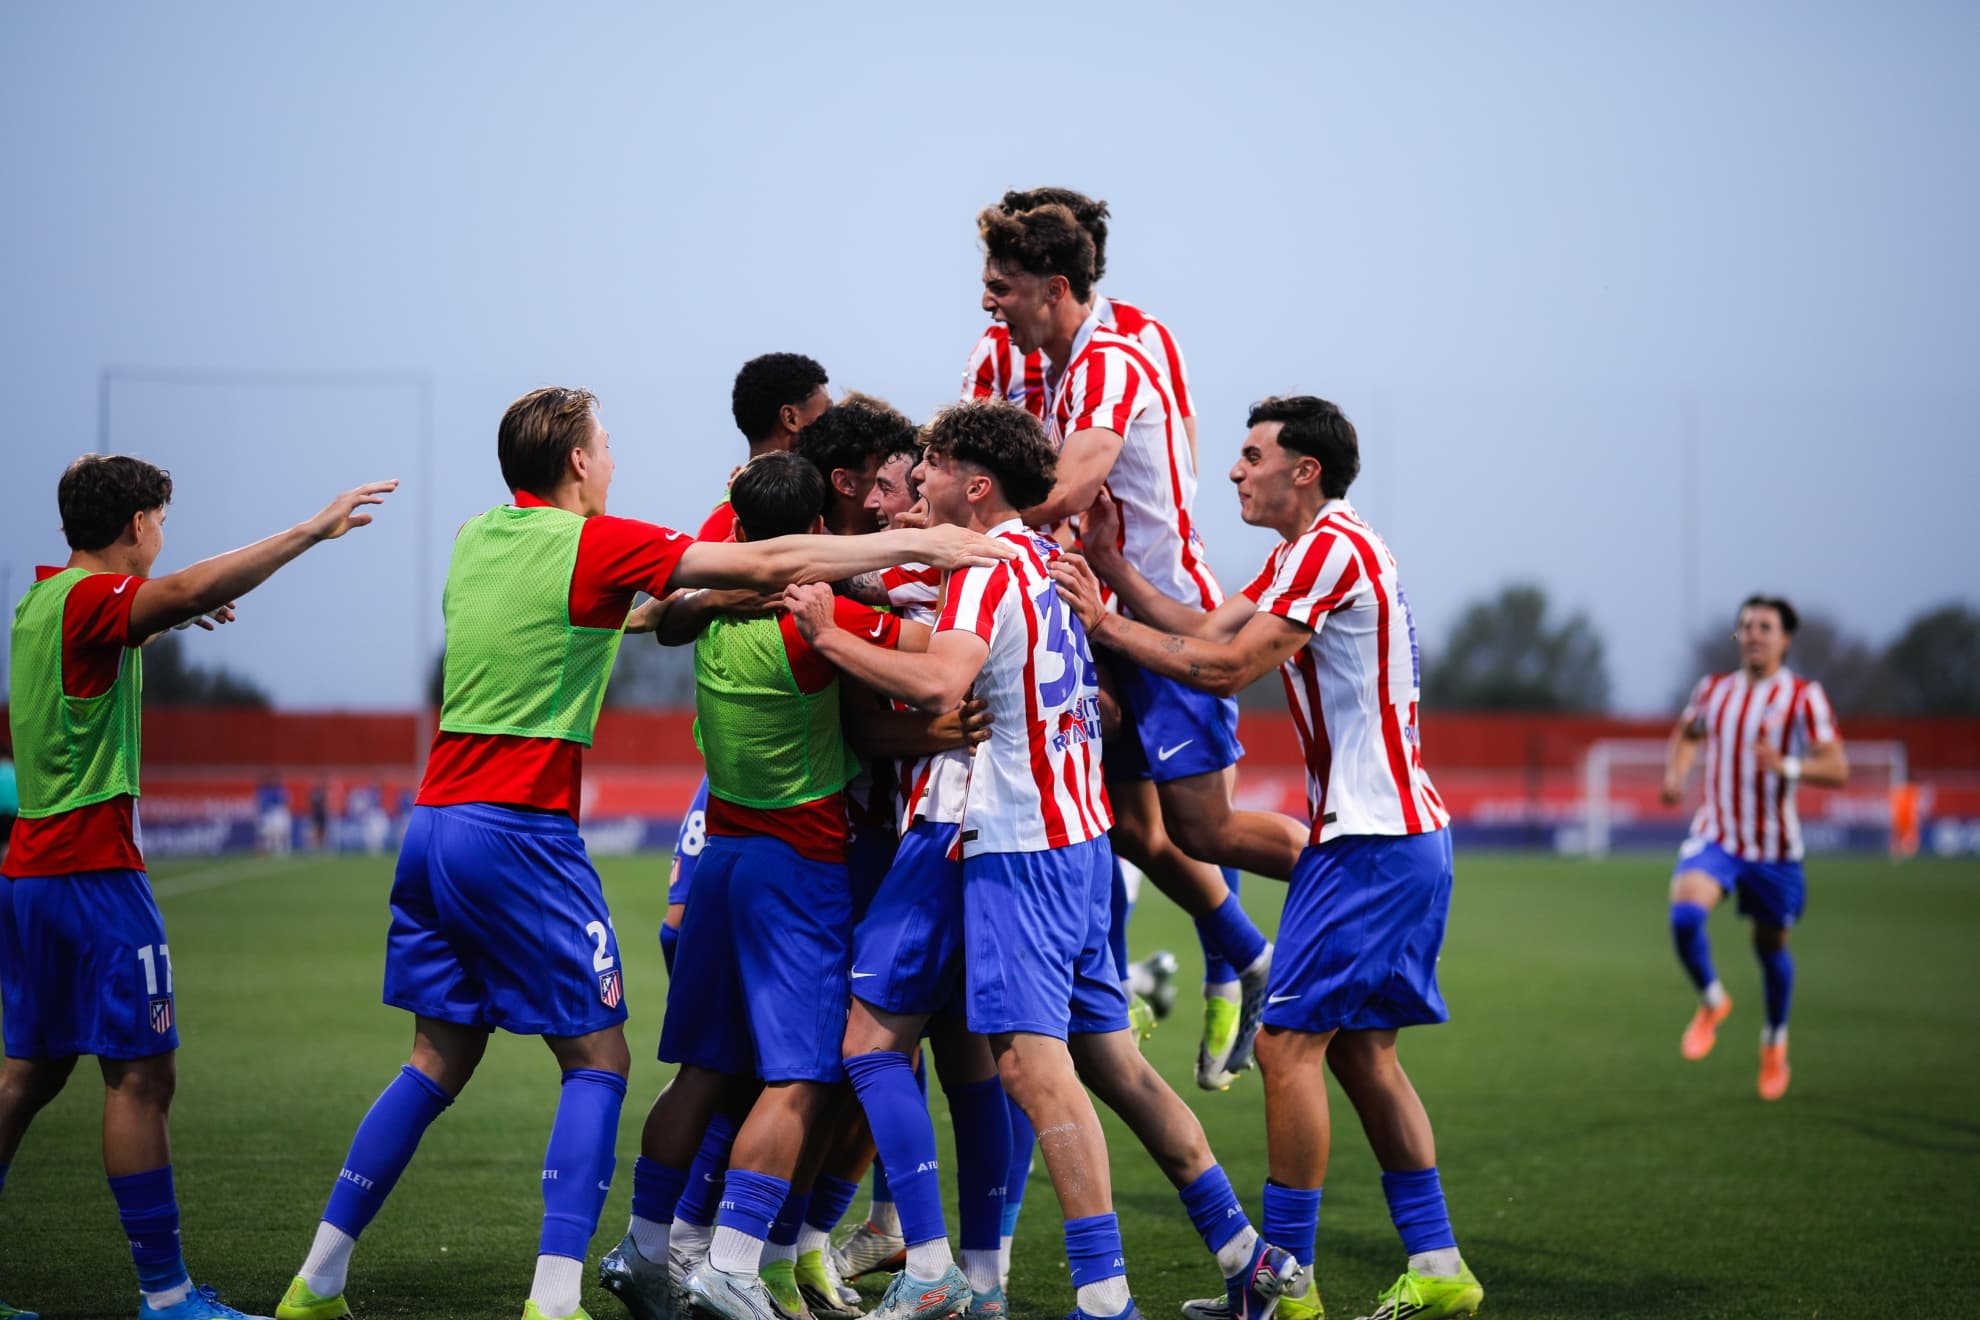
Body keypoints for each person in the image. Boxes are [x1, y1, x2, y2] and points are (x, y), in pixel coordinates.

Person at [273, 388, 1010, 1320]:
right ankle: (562, 1296)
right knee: (600, 1064)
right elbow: (776, 563)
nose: (615, 460)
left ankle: (319, 1279)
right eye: (607, 446)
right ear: (577, 463)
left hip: (434, 826)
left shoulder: (475, 538)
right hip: (525, 831)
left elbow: (680, 606)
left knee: (434, 1060)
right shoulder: (595, 541)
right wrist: (923, 546)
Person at [787, 400, 1296, 1320]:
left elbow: (943, 679)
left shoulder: (984, 566)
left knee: (1027, 1067)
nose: (920, 482)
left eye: (932, 467)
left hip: (1018, 849)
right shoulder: (1037, 561)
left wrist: (827, 638)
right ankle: (1245, 1253)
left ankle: (1101, 1296)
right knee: (1114, 1063)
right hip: (1079, 843)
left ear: (974, 486)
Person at [1050, 396, 1485, 1320]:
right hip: (1398, 835)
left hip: (1368, 842)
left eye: (1253, 457)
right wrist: (1113, 567)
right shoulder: (1315, 550)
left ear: (1306, 471)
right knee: (1365, 1056)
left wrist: (1103, 627)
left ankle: (1281, 1287)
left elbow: (1224, 670)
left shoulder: (1332, 548)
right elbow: (1204, 626)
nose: (1236, 472)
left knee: (1288, 1048)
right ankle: (1441, 1268)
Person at [1, 453, 396, 1320]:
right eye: (162, 520)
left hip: (30, 873)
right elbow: (170, 594)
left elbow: (131, 626)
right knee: (141, 1078)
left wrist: (159, 619)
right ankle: (168, 1296)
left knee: (24, 1077)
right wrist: (309, 530)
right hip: (95, 876)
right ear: (137, 524)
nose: (164, 536)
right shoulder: (88, 602)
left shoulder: (37, 605)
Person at [975, 200, 1288, 1089]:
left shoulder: (1110, 357)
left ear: (1056, 285)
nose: (990, 305)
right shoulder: (1067, 359)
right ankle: (1205, 967)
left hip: (1167, 611)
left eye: (1002, 287)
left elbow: (1075, 483)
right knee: (1130, 829)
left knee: (1203, 827)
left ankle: (1339, 878)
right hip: (1100, 613)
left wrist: (967, 528)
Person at [1661, 595, 1846, 1100]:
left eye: (1765, 626)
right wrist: (1676, 773)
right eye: (1746, 626)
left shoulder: (1805, 698)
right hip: (1718, 834)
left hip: (1775, 850)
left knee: (1770, 951)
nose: (1755, 634)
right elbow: (1687, 734)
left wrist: (1787, 766)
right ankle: (1713, 1000)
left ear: (1785, 638)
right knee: (1684, 917)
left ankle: (1773, 1041)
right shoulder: (1714, 690)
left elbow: (1837, 767)